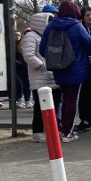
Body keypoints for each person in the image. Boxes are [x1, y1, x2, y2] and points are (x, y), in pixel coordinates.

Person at [39, 1, 91, 142]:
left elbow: (42, 49)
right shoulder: (77, 26)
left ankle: (64, 130)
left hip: (59, 69)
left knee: (65, 99)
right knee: (72, 100)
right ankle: (67, 132)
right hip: (76, 69)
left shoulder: (51, 26)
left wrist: (57, 58)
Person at [23, 11, 60, 143]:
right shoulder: (31, 36)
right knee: (40, 106)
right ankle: (37, 131)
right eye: (48, 21)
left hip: (52, 75)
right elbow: (28, 55)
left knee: (54, 104)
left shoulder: (48, 35)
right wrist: (42, 65)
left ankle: (51, 129)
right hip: (40, 76)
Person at [76, 6, 91, 132]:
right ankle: (83, 119)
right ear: (83, 17)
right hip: (83, 66)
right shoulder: (80, 30)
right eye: (87, 15)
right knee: (84, 94)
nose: (90, 17)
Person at [14, 31, 32, 108]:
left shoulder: (22, 45)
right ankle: (19, 100)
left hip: (24, 67)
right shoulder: (12, 45)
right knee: (20, 84)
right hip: (16, 67)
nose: (17, 37)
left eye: (19, 35)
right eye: (16, 35)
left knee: (27, 84)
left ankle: (27, 100)